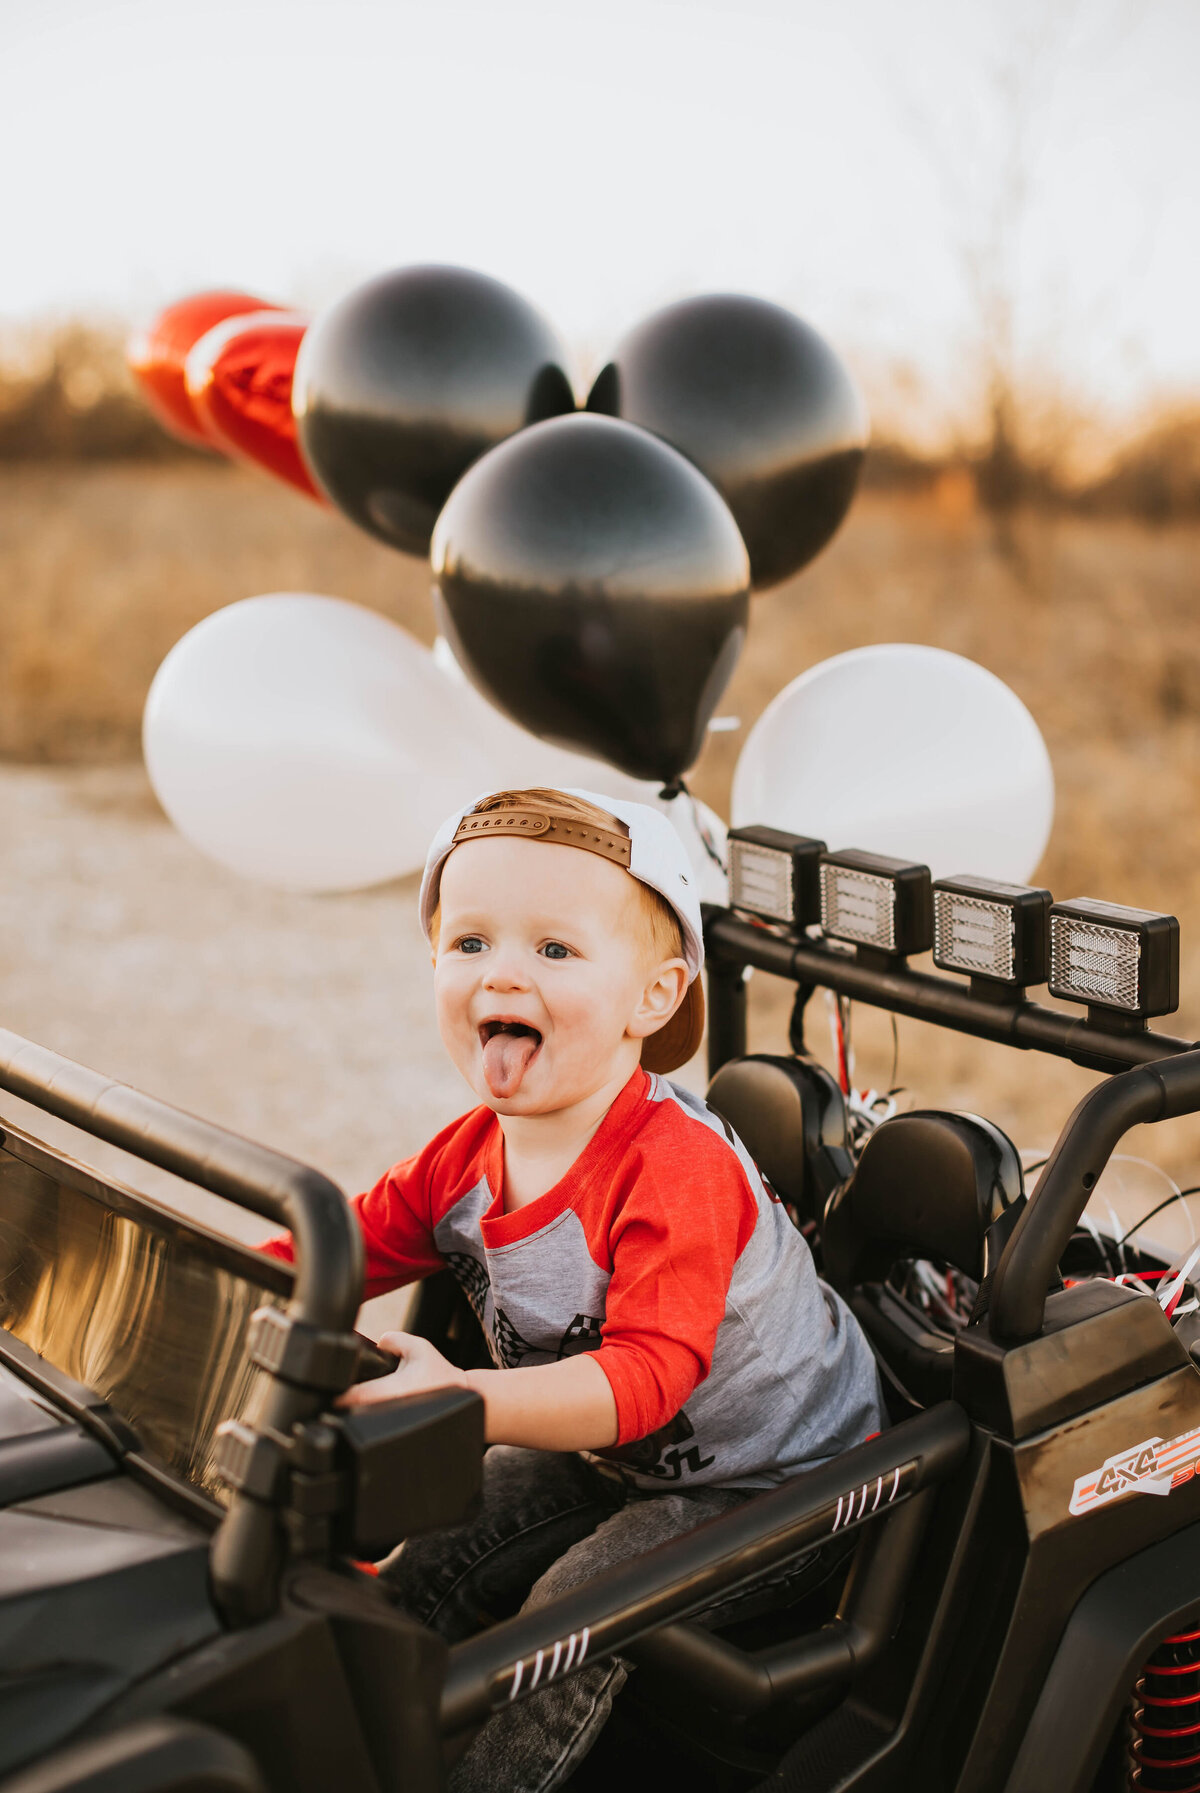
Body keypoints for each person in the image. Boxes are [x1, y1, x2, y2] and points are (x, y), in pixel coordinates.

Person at [265, 785, 884, 1792]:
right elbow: (337, 1249)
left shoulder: (672, 1168)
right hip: (610, 1457)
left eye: (554, 950)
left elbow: (643, 1378)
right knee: (422, 1568)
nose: (502, 972)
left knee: (565, 1623)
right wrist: (194, 1265)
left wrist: (462, 1400)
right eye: (469, 942)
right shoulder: (465, 1157)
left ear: (654, 996)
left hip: (780, 1480)